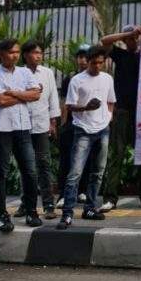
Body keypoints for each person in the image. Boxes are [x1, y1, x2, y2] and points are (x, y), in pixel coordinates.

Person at [98, 24, 141, 212]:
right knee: (117, 153)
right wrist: (127, 33)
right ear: (124, 41)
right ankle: (110, 198)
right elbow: (104, 41)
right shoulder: (120, 55)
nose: (134, 41)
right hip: (123, 110)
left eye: (136, 38)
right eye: (130, 39)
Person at [0, 37, 43, 232]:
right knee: (1, 172)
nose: (15, 56)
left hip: (23, 127)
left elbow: (36, 94)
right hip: (2, 128)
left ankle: (31, 211)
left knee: (30, 170)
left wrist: (13, 93)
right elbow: (0, 101)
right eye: (11, 52)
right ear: (0, 55)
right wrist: (23, 95)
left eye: (17, 52)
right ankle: (1, 215)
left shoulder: (25, 72)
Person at [57, 44, 116, 228]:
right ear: (87, 62)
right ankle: (67, 213)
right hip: (82, 128)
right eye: (94, 63)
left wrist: (108, 117)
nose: (97, 66)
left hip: (102, 129)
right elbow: (70, 106)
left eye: (100, 62)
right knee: (75, 173)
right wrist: (86, 108)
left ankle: (89, 207)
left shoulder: (107, 78)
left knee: (97, 172)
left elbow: (111, 101)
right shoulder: (77, 80)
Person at [14, 39, 60, 220]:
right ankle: (25, 204)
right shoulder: (18, 73)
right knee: (26, 166)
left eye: (40, 53)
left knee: (43, 164)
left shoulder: (47, 73)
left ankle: (48, 204)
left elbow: (53, 98)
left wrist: (53, 123)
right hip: (22, 125)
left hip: (41, 125)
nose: (39, 56)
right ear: (26, 55)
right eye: (35, 53)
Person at [56, 43, 91, 206]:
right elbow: (63, 102)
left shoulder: (99, 78)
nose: (83, 60)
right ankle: (63, 192)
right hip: (72, 123)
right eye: (80, 57)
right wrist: (63, 124)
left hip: (91, 124)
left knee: (87, 159)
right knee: (67, 160)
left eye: (86, 57)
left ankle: (82, 191)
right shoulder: (70, 78)